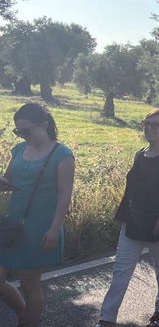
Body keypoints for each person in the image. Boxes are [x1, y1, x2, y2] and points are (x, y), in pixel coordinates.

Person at [95, 109, 159, 327]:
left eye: (156, 125)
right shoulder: (140, 153)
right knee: (121, 272)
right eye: (147, 123)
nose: (150, 128)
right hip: (134, 222)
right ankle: (107, 319)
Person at [0, 103, 74, 327]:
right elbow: (9, 180)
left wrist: (54, 229)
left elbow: (64, 195)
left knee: (30, 283)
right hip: (12, 222)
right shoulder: (20, 150)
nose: (22, 135)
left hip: (40, 225)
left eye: (26, 130)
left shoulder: (62, 154)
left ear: (43, 124)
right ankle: (24, 313)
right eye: (18, 131)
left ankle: (29, 323)